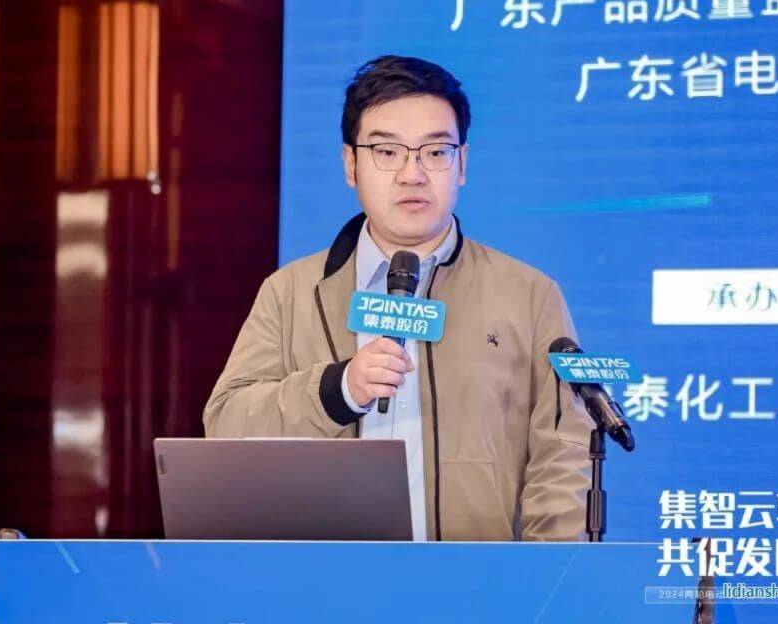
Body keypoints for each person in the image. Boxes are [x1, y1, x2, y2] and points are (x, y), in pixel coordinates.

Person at [204, 54, 593, 542]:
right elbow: (226, 425)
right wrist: (338, 390)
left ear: (462, 163)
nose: (413, 173)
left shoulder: (530, 296)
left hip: (476, 580)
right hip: (326, 579)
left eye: (435, 151)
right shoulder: (290, 292)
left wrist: (543, 578)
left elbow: (562, 460)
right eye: (387, 151)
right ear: (351, 164)